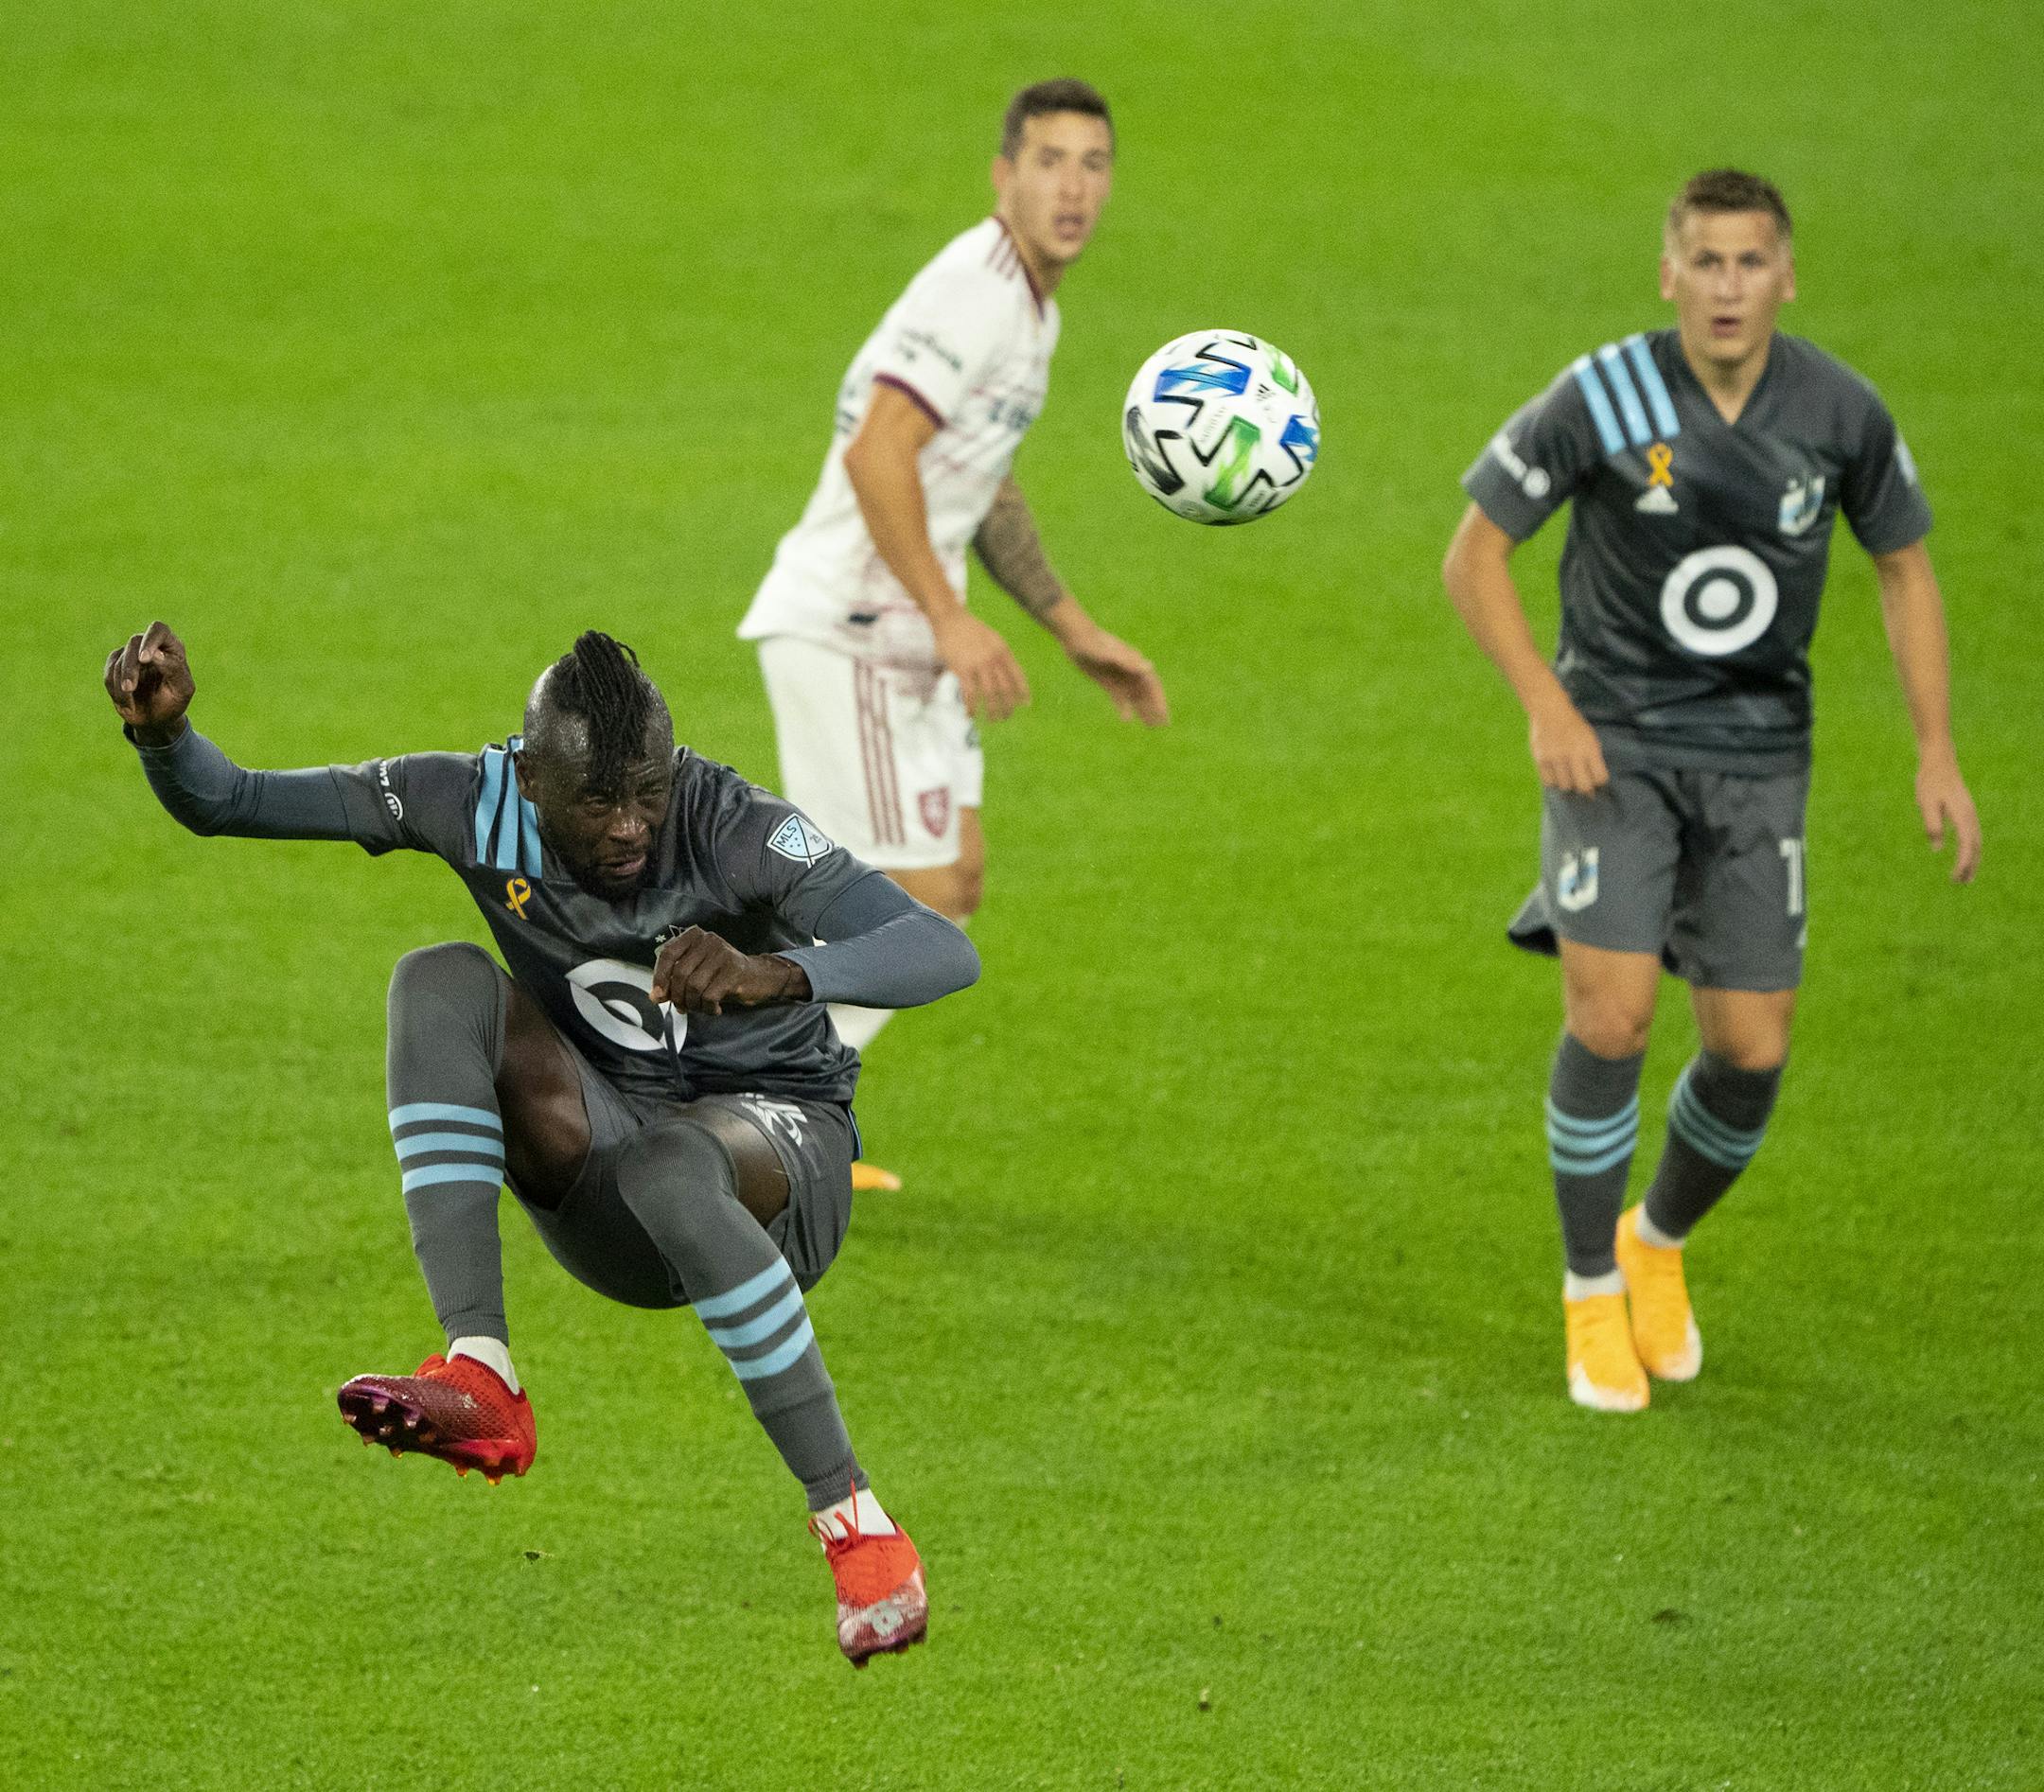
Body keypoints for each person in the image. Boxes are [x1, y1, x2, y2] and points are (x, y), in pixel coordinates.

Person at [104, 621, 979, 1662]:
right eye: (597, 800)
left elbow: (941, 948)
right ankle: (481, 1373)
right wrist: (166, 737)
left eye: (648, 790)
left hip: (782, 1176)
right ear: (528, 777)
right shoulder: (469, 800)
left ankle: (855, 1521)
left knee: (674, 1161)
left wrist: (779, 972)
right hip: (607, 1182)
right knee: (439, 978)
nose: (629, 827)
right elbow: (232, 801)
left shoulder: (732, 821)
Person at [1440, 168, 1982, 1413]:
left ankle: (1655, 1242)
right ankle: (1588, 1291)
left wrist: (1936, 747)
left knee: (1749, 1047)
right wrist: (1547, 702)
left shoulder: (1838, 411)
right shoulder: (1606, 394)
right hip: (1613, 746)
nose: (1728, 286)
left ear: (1785, 276)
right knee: (1615, 1017)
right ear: (1669, 272)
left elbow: (1905, 570)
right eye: (1706, 260)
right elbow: (1475, 557)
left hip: (1756, 757)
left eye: (1751, 263)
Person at [736, 77, 1168, 1188]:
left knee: (950, 879)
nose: (1073, 187)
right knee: (904, 894)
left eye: (1094, 164)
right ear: (1004, 175)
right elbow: (878, 451)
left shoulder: (1031, 307)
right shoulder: (973, 292)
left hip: (901, 631)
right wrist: (950, 616)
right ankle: (747, 1100)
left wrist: (1068, 624)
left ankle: (775, 1099)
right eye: (1050, 161)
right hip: (854, 626)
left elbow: (982, 480)